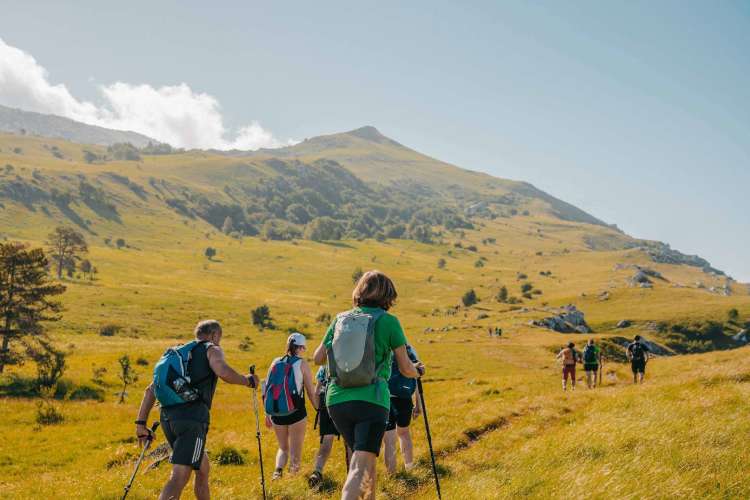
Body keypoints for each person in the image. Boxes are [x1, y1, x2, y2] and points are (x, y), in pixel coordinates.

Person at [313, 270, 424, 500]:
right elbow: (405, 368)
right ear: (388, 296)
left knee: (367, 462)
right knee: (359, 468)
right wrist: (419, 371)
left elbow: (317, 358)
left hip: (337, 401)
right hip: (372, 401)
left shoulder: (340, 319)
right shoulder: (389, 322)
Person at [134, 320, 258, 500]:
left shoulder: (180, 354)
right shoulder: (211, 349)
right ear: (214, 335)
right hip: (192, 419)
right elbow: (223, 371)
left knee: (202, 469)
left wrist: (141, 425)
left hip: (168, 418)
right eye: (219, 338)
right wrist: (247, 380)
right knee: (179, 477)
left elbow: (150, 390)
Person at [264, 332, 317, 480]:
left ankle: (277, 471)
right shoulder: (302, 364)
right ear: (299, 348)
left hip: (276, 413)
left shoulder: (275, 362)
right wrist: (318, 408)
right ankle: (292, 482)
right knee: (296, 452)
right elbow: (310, 392)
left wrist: (267, 414)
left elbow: (266, 388)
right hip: (296, 412)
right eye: (304, 348)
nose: (304, 351)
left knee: (283, 448)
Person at [308, 366, 351, 489]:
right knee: (350, 442)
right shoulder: (352, 359)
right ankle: (353, 476)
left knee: (326, 443)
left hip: (327, 403)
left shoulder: (325, 365)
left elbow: (316, 392)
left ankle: (317, 471)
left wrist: (319, 410)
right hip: (347, 401)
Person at [383, 343, 422, 474]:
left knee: (389, 439)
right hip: (405, 398)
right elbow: (416, 378)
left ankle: (392, 475)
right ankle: (409, 468)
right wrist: (418, 404)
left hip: (386, 398)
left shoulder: (384, 348)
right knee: (404, 434)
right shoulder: (410, 350)